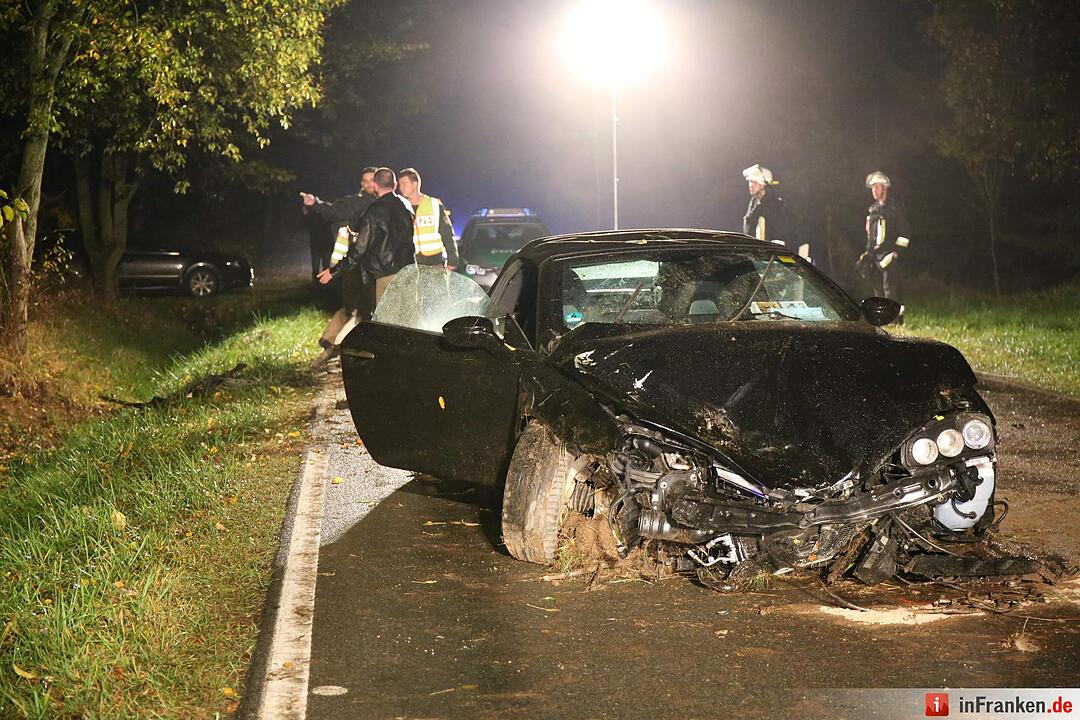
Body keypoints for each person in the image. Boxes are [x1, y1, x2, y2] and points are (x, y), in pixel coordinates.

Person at [301, 166, 380, 352]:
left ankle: (330, 339)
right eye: (365, 181)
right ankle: (337, 345)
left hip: (372, 266)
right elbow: (332, 211)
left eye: (372, 180)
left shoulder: (386, 202)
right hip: (356, 265)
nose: (369, 185)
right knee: (358, 310)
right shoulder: (357, 203)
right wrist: (316, 203)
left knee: (354, 308)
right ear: (362, 184)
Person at [317, 167, 414, 305]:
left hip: (384, 275)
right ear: (395, 184)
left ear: (375, 185)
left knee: (385, 321)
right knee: (406, 319)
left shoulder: (373, 212)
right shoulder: (406, 206)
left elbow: (359, 249)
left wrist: (335, 270)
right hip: (408, 271)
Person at [858, 171, 911, 324]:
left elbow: (905, 232)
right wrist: (867, 253)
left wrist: (896, 253)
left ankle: (895, 321)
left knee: (891, 290)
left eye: (877, 187)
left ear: (885, 188)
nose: (874, 190)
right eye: (872, 188)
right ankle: (881, 320)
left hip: (888, 255)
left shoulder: (894, 208)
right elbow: (870, 234)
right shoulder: (872, 209)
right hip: (874, 256)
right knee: (877, 290)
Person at [741, 164, 808, 259]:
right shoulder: (753, 203)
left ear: (762, 184)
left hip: (771, 256)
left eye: (753, 181)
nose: (750, 185)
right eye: (749, 182)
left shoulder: (775, 205)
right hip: (755, 255)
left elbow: (781, 232)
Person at [397, 168, 459, 269]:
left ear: (415, 184)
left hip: (435, 262)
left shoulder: (434, 204)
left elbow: (447, 233)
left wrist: (453, 260)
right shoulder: (400, 207)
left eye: (404, 183)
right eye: (400, 184)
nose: (401, 187)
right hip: (411, 264)